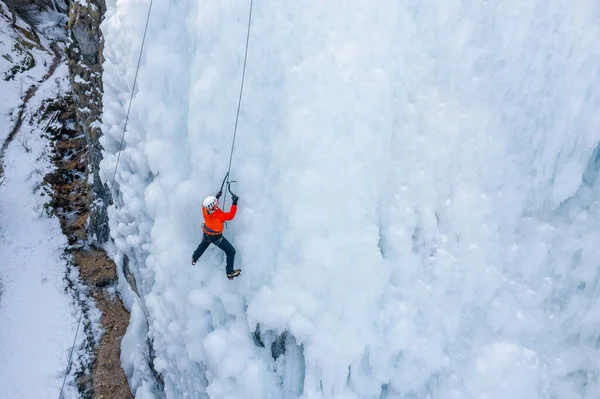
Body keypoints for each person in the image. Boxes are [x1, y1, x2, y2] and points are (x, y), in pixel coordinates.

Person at [191, 190, 241, 280]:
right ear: (213, 206)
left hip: (206, 233)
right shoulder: (218, 215)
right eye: (216, 203)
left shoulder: (205, 209)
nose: (217, 203)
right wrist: (234, 203)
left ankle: (194, 258)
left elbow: (209, 205)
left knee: (203, 246)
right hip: (216, 237)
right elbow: (230, 216)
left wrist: (216, 197)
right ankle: (230, 272)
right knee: (231, 251)